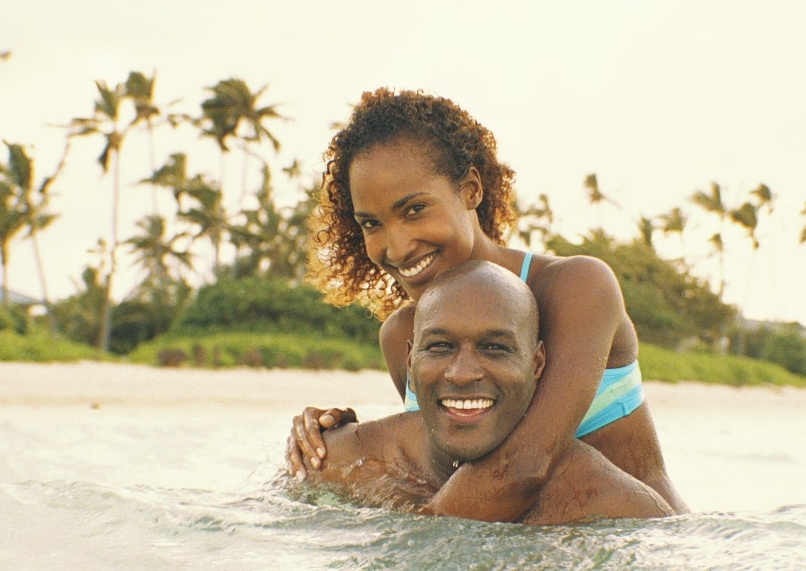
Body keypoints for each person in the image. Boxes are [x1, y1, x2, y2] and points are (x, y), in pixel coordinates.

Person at [289, 88, 689, 519]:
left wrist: (410, 547)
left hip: (641, 548)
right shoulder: (403, 334)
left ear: (471, 190)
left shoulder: (576, 287)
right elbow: (451, 462)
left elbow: (523, 467)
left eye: (415, 210)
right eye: (372, 223)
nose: (397, 246)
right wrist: (339, 441)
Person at [303, 260, 673, 524]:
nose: (462, 374)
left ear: (537, 366)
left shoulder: (600, 496)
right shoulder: (343, 458)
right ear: (411, 363)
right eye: (440, 346)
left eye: (495, 348)